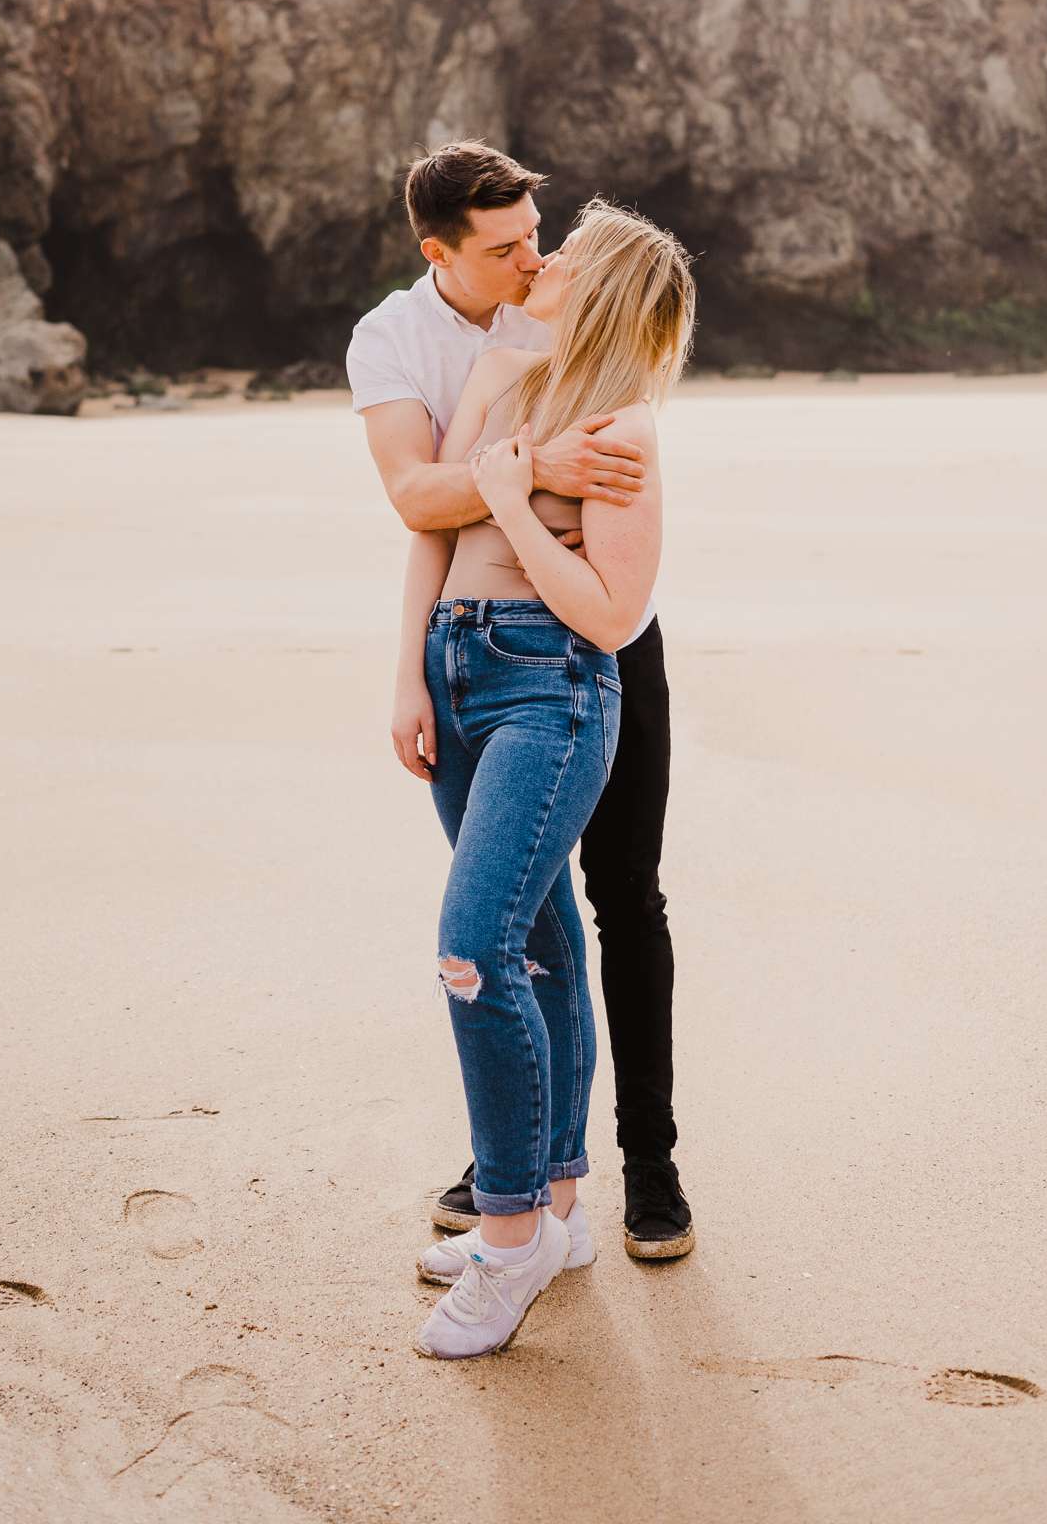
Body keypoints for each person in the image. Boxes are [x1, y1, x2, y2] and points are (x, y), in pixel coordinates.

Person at [346, 142, 696, 1272]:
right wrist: (411, 670)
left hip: (587, 651)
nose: (534, 259)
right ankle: (536, 1170)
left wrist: (518, 484)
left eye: (542, 241)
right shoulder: (408, 341)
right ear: (439, 252)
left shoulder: (600, 384)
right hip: (469, 651)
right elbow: (423, 508)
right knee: (523, 917)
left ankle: (645, 1161)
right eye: (508, 248)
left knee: (618, 897)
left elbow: (609, 604)